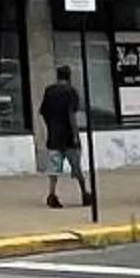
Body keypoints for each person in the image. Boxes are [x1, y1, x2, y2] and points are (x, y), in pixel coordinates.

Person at [40, 64, 88, 212]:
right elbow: (71, 115)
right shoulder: (71, 92)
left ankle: (52, 194)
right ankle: (84, 192)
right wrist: (75, 135)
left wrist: (50, 128)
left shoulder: (49, 91)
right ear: (69, 76)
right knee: (76, 166)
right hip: (68, 136)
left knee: (54, 168)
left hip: (54, 136)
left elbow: (43, 112)